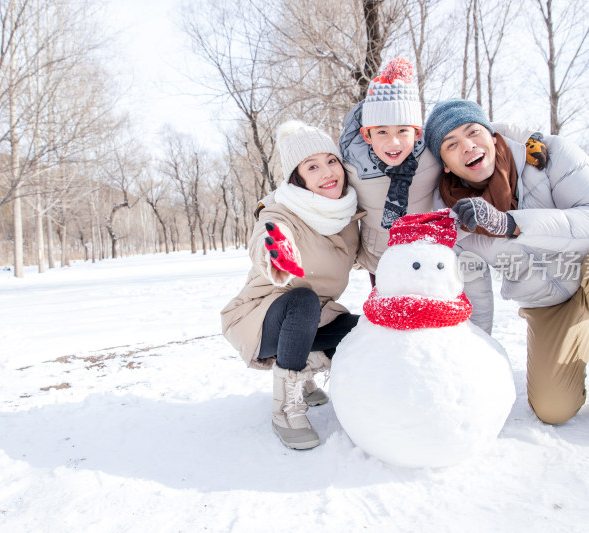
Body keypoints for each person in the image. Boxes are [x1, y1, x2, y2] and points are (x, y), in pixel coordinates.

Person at [424, 98, 589, 438]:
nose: (467, 146)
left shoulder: (548, 156)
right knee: (554, 409)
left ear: (492, 136)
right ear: (446, 165)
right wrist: (472, 361)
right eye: (451, 145)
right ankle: (578, 333)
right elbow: (475, 293)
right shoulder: (455, 217)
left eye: (473, 132)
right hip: (548, 301)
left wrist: (511, 223)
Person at [221, 120, 363, 450]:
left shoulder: (347, 215)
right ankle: (285, 408)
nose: (327, 172)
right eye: (312, 166)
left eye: (331, 161)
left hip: (314, 318)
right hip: (259, 320)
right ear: (297, 179)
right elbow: (269, 232)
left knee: (364, 329)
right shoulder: (283, 208)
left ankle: (306, 367)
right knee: (302, 299)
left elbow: (371, 258)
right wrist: (276, 250)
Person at [338, 57, 547, 281]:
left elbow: (476, 127)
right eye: (382, 132)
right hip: (381, 261)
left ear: (417, 133)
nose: (394, 143)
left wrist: (526, 137)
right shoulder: (351, 164)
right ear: (366, 135)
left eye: (402, 131)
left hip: (430, 256)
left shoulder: (428, 152)